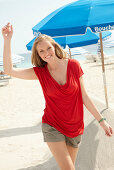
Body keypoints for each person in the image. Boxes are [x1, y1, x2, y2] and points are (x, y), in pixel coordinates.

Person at [2, 23, 114, 170]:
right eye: (41, 51)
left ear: (54, 46)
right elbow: (9, 70)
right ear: (38, 55)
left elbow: (84, 96)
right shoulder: (40, 73)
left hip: (75, 128)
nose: (46, 52)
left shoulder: (74, 65)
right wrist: (7, 39)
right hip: (52, 126)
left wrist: (102, 121)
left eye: (48, 48)